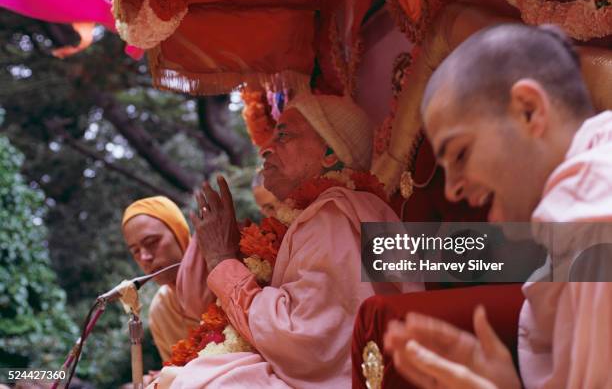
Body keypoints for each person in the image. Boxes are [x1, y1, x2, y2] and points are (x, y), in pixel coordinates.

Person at [384, 23, 612, 388]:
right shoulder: (577, 213)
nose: (453, 190)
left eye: (460, 154)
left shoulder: (598, 218)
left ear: (528, 110)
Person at [172, 92, 422, 388]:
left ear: (329, 154)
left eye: (284, 135)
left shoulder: (334, 215)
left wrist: (222, 261)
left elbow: (302, 341)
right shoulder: (319, 215)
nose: (265, 148)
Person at [122, 196, 200, 363]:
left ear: (179, 233)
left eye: (152, 242)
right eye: (136, 251)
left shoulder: (225, 275)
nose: (145, 257)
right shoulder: (160, 311)